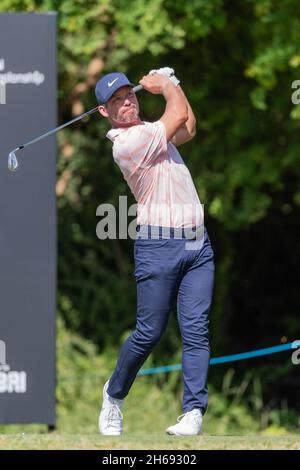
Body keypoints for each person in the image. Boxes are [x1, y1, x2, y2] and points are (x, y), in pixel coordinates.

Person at [95, 69, 215, 436]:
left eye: (129, 94)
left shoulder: (152, 132)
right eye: (117, 100)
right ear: (104, 112)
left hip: (197, 242)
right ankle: (114, 395)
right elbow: (176, 114)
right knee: (149, 331)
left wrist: (171, 85)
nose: (127, 101)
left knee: (196, 330)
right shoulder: (127, 143)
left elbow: (188, 125)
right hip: (158, 244)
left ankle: (193, 411)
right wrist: (168, 84)